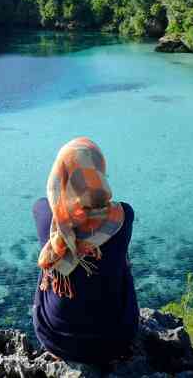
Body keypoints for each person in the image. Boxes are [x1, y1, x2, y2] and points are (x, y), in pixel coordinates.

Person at [32, 137, 138, 365]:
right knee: (123, 264)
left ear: (60, 173)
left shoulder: (43, 212)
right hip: (116, 340)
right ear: (99, 171)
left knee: (49, 259)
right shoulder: (123, 216)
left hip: (56, 340)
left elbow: (50, 204)